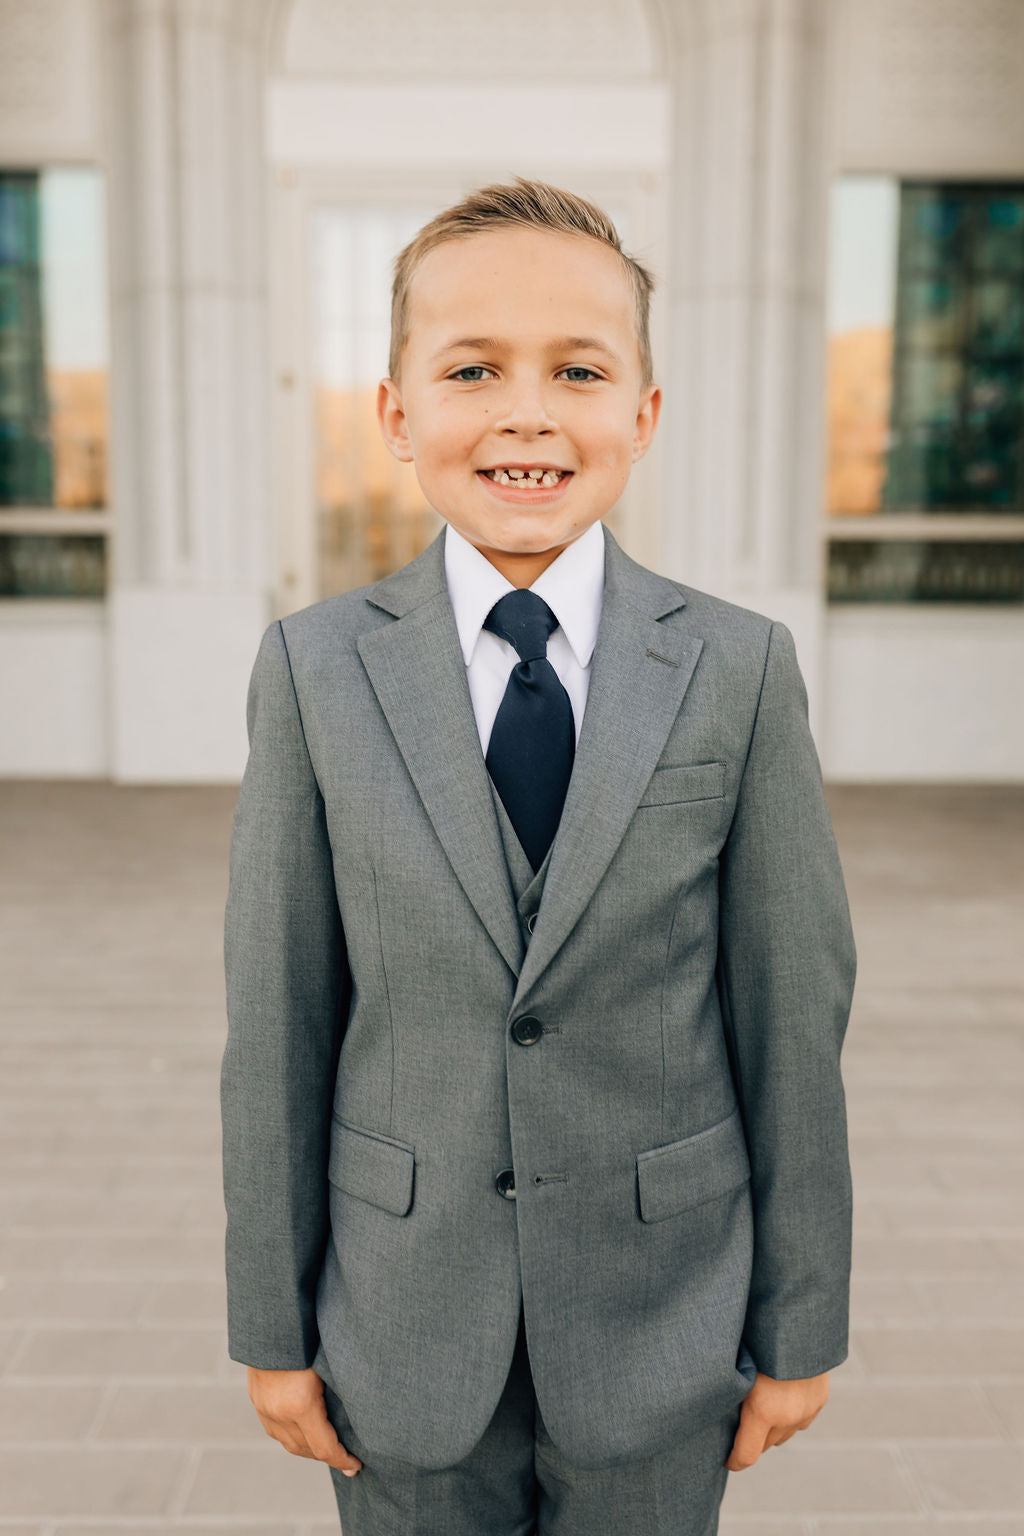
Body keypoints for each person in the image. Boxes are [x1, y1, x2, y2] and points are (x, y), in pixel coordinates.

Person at [220, 176, 857, 1536]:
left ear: (644, 414)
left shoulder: (738, 671)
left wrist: (802, 1320)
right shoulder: (316, 670)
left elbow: (793, 1009)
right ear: (397, 416)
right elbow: (279, 1014)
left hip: (660, 1323)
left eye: (578, 369)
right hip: (398, 1325)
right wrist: (269, 1322)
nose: (526, 411)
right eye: (472, 369)